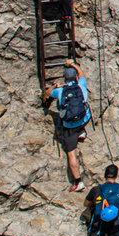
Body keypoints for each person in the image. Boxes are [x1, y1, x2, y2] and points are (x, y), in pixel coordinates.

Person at [45, 62, 92, 191]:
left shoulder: (60, 91)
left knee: (72, 153)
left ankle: (78, 182)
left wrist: (55, 86)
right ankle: (82, 130)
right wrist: (73, 64)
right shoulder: (81, 86)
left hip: (69, 126)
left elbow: (48, 93)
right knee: (86, 108)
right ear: (75, 78)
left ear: (65, 79)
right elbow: (82, 74)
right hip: (83, 119)